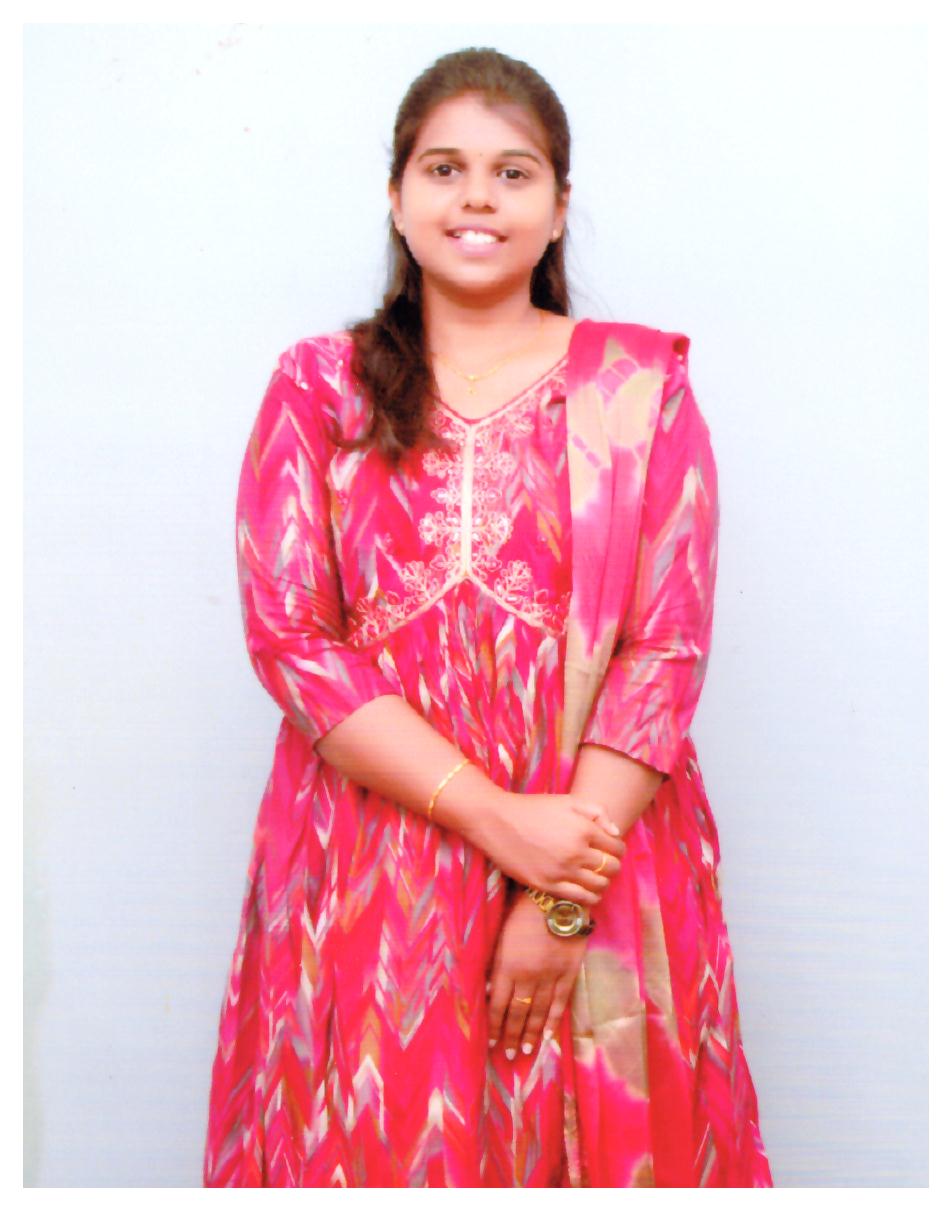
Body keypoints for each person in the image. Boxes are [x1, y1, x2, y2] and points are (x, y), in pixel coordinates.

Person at [203, 46, 773, 1188]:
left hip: (593, 854)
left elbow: (663, 649)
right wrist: (498, 823)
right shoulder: (319, 385)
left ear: (559, 209)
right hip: (372, 861)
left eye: (513, 173)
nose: (477, 197)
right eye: (444, 168)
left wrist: (557, 896)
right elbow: (293, 642)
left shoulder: (638, 390)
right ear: (396, 196)